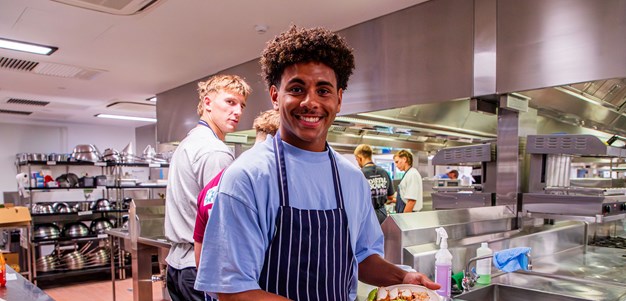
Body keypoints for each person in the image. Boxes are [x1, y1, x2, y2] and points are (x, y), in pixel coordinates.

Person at [195, 25, 439, 301]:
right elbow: (232, 291)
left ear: (339, 99)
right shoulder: (247, 177)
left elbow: (361, 256)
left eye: (323, 91)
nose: (310, 102)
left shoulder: (351, 177)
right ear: (276, 96)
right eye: (297, 89)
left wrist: (403, 278)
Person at [164, 74, 252, 301]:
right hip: (199, 267)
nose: (238, 111)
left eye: (241, 105)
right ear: (207, 103)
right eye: (230, 102)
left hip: (177, 266)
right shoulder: (216, 152)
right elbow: (221, 222)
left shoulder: (188, 143)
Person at [193, 109, 280, 267]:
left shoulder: (213, 185)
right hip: (257, 287)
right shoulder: (269, 186)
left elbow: (200, 260)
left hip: (219, 286)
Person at [353, 144, 394, 224]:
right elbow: (391, 196)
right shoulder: (384, 172)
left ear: (360, 158)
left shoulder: (359, 174)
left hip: (366, 217)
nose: (358, 162)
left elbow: (355, 199)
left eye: (357, 160)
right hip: (382, 216)